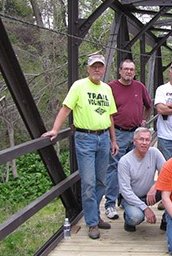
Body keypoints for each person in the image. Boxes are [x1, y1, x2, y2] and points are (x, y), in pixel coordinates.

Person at [42, 54, 118, 239]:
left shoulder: (107, 89)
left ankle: (96, 216)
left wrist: (113, 140)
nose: (97, 70)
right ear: (88, 69)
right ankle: (91, 223)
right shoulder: (79, 86)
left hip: (103, 138)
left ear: (104, 69)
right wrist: (55, 129)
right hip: (85, 138)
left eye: (100, 66)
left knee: (101, 181)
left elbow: (110, 117)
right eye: (94, 67)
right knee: (89, 183)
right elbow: (66, 109)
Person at [104, 59, 153, 220]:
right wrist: (112, 139)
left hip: (135, 133)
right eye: (126, 69)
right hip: (117, 132)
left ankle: (128, 200)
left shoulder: (139, 87)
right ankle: (110, 204)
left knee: (134, 169)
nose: (129, 72)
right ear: (120, 71)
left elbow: (149, 105)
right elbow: (107, 113)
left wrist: (143, 121)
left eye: (132, 69)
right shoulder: (111, 88)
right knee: (114, 168)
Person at [118, 127, 166, 232]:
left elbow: (167, 173)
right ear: (134, 141)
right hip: (131, 198)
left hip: (150, 194)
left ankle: (166, 220)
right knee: (136, 217)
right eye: (141, 139)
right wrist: (146, 208)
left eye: (147, 140)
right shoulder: (125, 161)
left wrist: (155, 186)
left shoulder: (155, 153)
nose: (144, 143)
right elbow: (125, 191)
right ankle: (128, 218)